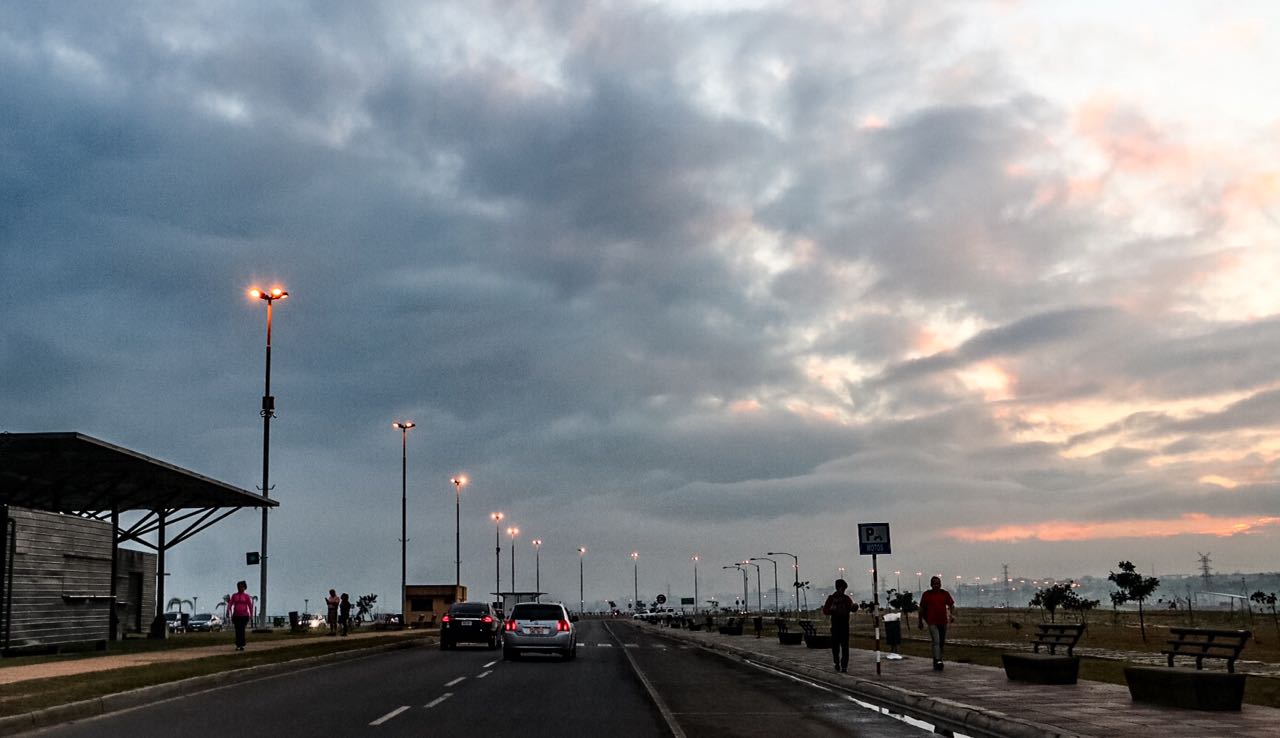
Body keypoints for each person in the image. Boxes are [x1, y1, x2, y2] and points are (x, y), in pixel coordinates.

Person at [917, 575, 957, 671]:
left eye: (938, 584)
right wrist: (920, 622)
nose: (936, 585)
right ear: (931, 585)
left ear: (940, 584)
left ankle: (937, 658)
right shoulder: (927, 595)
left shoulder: (944, 594)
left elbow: (951, 605)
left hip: (943, 621)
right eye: (934, 584)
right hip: (932, 622)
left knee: (941, 642)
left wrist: (951, 615)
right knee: (936, 641)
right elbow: (921, 609)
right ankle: (938, 660)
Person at [821, 578, 856, 673]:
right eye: (842, 588)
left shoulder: (846, 599)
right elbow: (825, 610)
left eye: (844, 589)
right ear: (838, 588)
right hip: (836, 625)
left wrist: (854, 607)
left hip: (844, 625)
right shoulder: (831, 598)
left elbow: (852, 608)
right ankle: (836, 662)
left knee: (845, 647)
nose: (843, 590)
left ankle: (844, 665)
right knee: (835, 647)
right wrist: (832, 609)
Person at [227, 580, 255, 651]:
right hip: (236, 616)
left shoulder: (246, 596)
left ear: (244, 588)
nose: (240, 588)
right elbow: (230, 603)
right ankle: (238, 645)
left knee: (242, 629)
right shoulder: (234, 596)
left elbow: (249, 606)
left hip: (244, 616)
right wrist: (228, 610)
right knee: (237, 630)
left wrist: (251, 615)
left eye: (241, 587)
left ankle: (242, 644)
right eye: (239, 587)